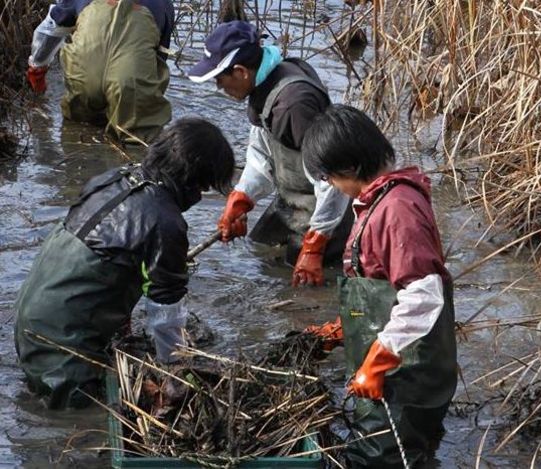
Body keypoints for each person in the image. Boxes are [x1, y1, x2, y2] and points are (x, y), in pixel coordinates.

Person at [14, 117, 235, 409]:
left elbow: (106, 265)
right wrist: (176, 378)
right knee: (98, 410)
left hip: (29, 329)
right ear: (194, 179)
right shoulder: (164, 222)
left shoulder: (115, 179)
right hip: (63, 360)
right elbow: (166, 313)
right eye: (205, 186)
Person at [303, 105, 457, 467]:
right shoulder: (379, 201)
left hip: (408, 371)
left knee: (380, 458)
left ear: (352, 167)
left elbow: (423, 292)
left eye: (329, 175)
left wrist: (378, 359)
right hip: (398, 361)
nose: (328, 185)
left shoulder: (397, 210)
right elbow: (383, 286)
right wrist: (345, 329)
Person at [188, 20, 351, 287]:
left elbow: (334, 179)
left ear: (240, 72)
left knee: (304, 283)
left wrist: (315, 244)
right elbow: (261, 153)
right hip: (292, 198)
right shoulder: (265, 84)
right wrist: (242, 198)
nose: (218, 87)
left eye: (220, 79)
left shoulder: (293, 107)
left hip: (326, 209)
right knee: (259, 247)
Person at [26, 0, 174, 143]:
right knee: (136, 141)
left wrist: (37, 67)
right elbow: (159, 58)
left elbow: (51, 29)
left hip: (83, 80)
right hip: (129, 85)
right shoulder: (163, 3)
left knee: (77, 128)